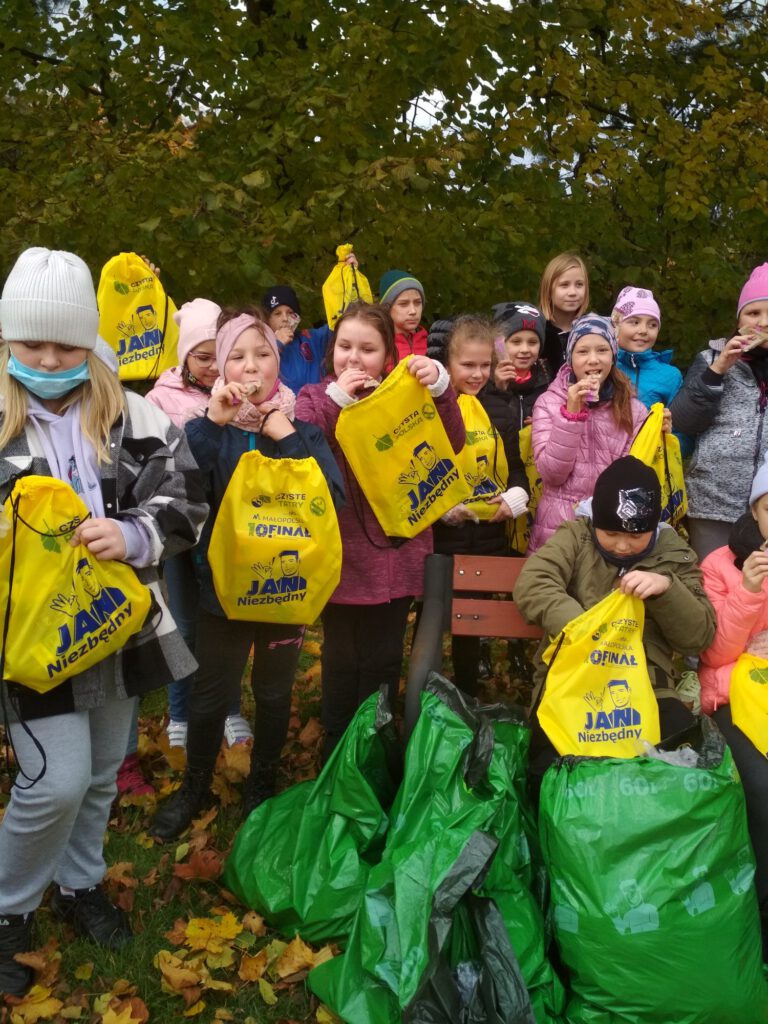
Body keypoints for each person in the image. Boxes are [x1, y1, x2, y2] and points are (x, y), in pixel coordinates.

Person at [0, 248, 207, 997]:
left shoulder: (129, 411)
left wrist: (135, 533)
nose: (49, 360)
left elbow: (185, 495)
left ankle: (79, 883)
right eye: (32, 345)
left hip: (117, 623)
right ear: (8, 339)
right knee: (52, 782)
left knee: (97, 773)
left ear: (89, 340)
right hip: (30, 637)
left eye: (66, 345)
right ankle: (9, 907)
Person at [149, 310, 344, 842]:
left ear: (278, 364)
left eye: (262, 355)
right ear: (220, 367)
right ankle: (194, 786)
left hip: (286, 592)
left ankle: (262, 781)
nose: (251, 366)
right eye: (237, 356)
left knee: (274, 692)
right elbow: (178, 486)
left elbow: (333, 500)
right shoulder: (209, 431)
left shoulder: (302, 429)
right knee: (211, 692)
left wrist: (287, 437)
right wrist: (212, 423)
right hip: (225, 593)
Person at [295, 302, 465, 756]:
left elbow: (450, 443)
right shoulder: (314, 397)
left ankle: (375, 747)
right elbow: (301, 447)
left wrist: (441, 390)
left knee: (383, 657)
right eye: (345, 347)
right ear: (332, 350)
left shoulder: (400, 393)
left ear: (388, 354)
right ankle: (336, 750)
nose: (354, 358)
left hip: (396, 554)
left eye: (367, 349)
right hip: (341, 554)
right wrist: (337, 401)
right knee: (341, 656)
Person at [515, 456, 715, 791]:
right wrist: (592, 630)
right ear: (596, 521)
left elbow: (699, 636)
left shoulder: (674, 554)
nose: (622, 545)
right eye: (610, 533)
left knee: (681, 773)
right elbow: (534, 583)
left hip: (649, 686)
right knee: (550, 771)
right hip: (574, 680)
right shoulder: (576, 536)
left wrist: (667, 590)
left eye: (636, 536)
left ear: (653, 527)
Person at [146, 297, 253, 751]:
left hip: (231, 530)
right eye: (202, 357)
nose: (212, 368)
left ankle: (229, 708)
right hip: (183, 535)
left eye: (218, 357)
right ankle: (180, 712)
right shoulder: (159, 399)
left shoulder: (241, 391)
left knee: (226, 625)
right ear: (184, 356)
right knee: (186, 625)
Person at [431, 315, 529, 694]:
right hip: (440, 539)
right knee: (431, 619)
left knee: (472, 621)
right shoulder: (431, 407)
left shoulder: (499, 408)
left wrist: (514, 499)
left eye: (484, 365)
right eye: (467, 365)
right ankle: (427, 693)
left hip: (487, 537)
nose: (477, 374)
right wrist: (440, 509)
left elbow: (516, 469)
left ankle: (467, 694)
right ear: (448, 363)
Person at [699, 460, 768, 953]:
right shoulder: (720, 563)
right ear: (755, 512)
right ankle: (759, 912)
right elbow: (715, 653)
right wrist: (747, 590)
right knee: (761, 788)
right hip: (732, 691)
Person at [670, 263, 768, 561]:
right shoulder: (711, 357)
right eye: (753, 313)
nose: (763, 322)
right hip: (713, 502)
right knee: (713, 582)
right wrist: (719, 369)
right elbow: (683, 421)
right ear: (739, 319)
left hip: (767, 509)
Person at [528, 314, 648, 552]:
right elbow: (552, 474)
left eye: (602, 350)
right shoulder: (548, 403)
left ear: (613, 356)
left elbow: (633, 479)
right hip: (557, 527)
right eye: (582, 352)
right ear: (570, 358)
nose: (593, 360)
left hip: (611, 528)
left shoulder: (634, 409)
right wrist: (571, 414)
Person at [261, 250, 359, 395]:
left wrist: (349, 276)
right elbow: (256, 372)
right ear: (267, 319)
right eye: (277, 313)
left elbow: (344, 321)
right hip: (283, 408)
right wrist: (276, 345)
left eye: (290, 312)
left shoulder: (312, 338)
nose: (285, 318)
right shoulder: (260, 346)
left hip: (318, 405)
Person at [612, 285, 690, 456]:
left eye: (652, 324)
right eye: (634, 322)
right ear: (616, 324)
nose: (643, 331)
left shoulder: (670, 376)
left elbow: (683, 436)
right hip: (602, 463)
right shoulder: (604, 365)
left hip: (648, 464)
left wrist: (666, 437)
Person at [486, 301, 552, 428]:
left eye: (532, 342)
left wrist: (546, 422)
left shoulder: (549, 379)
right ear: (499, 345)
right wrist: (498, 389)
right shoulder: (484, 379)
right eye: (516, 342)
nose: (525, 349)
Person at [537, 252, 590, 372]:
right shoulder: (537, 331)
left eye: (579, 285)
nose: (573, 292)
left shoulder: (592, 329)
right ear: (548, 289)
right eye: (564, 285)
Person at [378, 269, 428, 361]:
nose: (413, 311)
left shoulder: (433, 343)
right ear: (387, 308)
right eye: (403, 304)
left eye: (417, 303)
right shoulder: (378, 344)